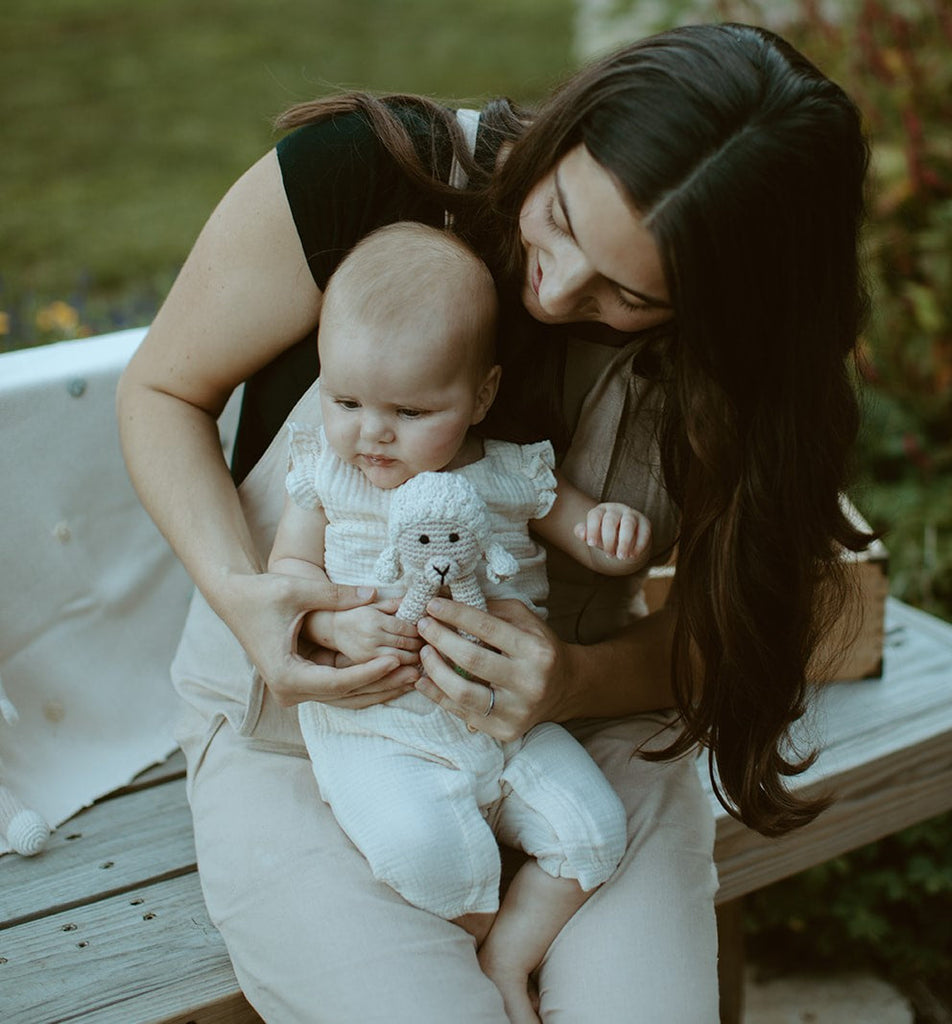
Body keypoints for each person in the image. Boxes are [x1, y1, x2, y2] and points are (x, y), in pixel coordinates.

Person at [117, 22, 872, 1023]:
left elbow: (758, 621)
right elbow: (162, 392)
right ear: (570, 124)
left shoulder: (754, 374)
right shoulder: (358, 175)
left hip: (578, 736)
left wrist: (578, 678)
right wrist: (252, 596)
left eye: (628, 295)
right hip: (307, 735)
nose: (554, 289)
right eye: (557, 217)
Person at [269, 221, 650, 1022]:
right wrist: (333, 628)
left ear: (480, 395)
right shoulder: (330, 477)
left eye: (409, 410)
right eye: (346, 401)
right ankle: (465, 924)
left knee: (595, 832)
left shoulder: (507, 472)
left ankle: (507, 951)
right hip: (379, 728)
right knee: (425, 851)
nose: (371, 432)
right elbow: (291, 580)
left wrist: (615, 533)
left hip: (507, 724)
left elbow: (593, 538)